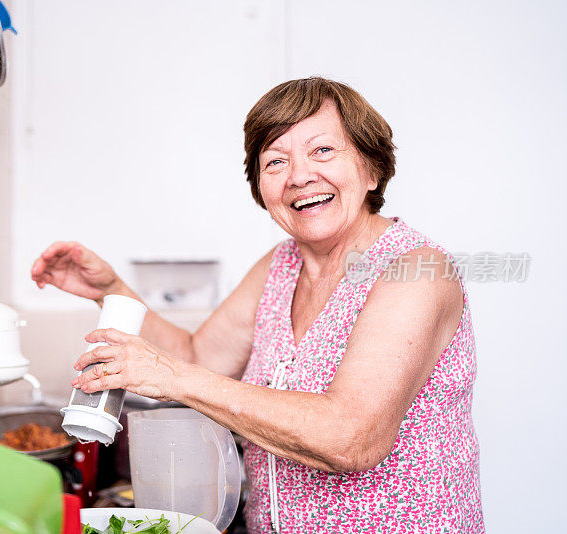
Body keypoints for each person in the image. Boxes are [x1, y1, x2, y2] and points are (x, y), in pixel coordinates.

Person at [31, 78, 483, 533]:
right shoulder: (281, 265)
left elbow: (352, 438)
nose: (300, 175)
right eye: (275, 161)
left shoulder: (417, 270)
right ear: (260, 185)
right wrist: (111, 290)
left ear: (372, 170)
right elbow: (199, 358)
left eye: (323, 150)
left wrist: (171, 377)